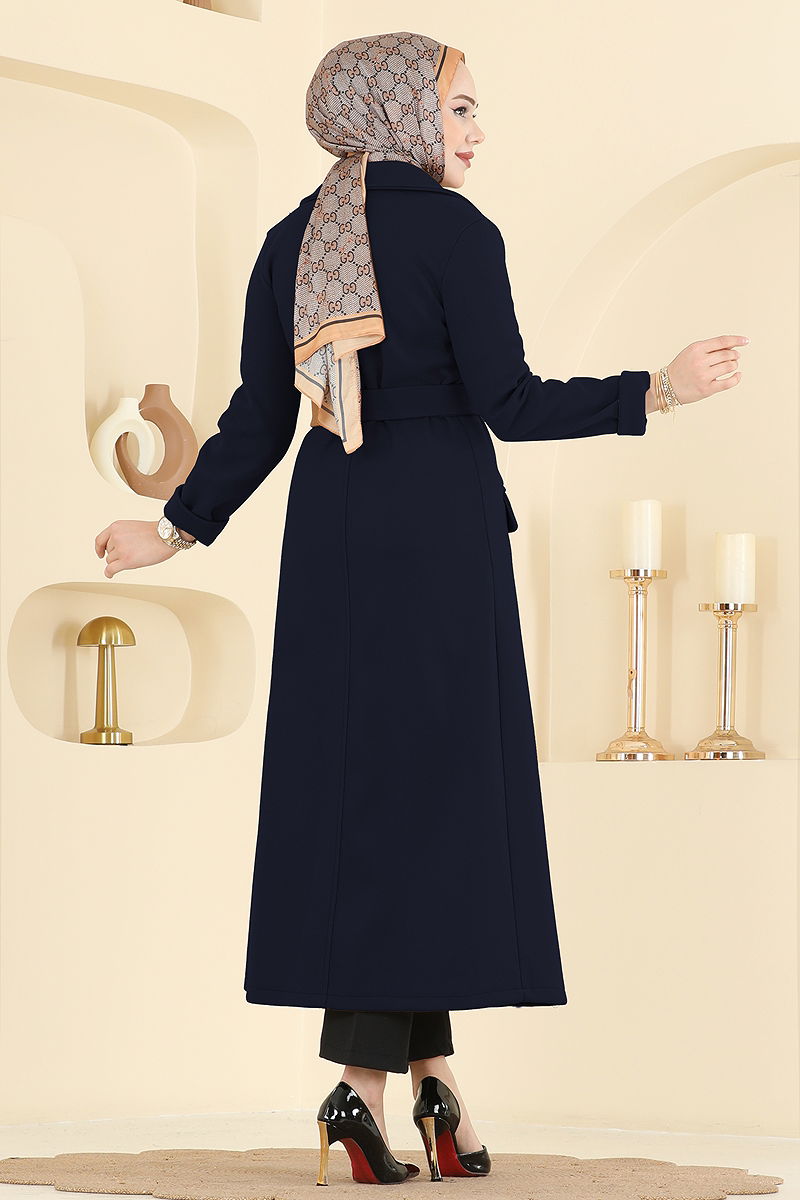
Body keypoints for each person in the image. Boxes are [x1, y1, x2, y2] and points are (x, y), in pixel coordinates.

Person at [94, 32, 748, 1187]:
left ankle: (431, 1084)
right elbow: (510, 402)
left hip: (333, 529)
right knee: (431, 804)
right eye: (459, 109)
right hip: (438, 529)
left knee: (373, 804)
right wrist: (653, 388)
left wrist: (176, 529)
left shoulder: (292, 240)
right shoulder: (455, 233)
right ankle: (363, 1087)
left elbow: (259, 417)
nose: (475, 132)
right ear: (399, 114)